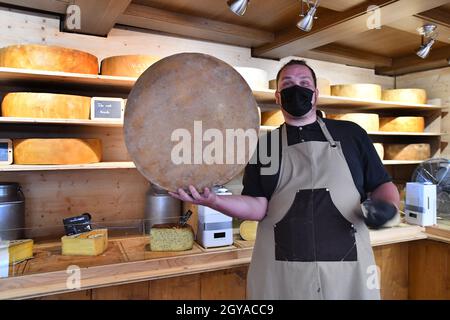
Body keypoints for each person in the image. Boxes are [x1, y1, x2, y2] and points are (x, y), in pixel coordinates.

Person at [169, 60, 400, 300]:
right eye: (288, 84)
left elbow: (382, 184)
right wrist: (214, 201)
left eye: (304, 83)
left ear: (315, 94)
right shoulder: (265, 146)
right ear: (278, 97)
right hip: (283, 275)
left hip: (348, 273)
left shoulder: (351, 134)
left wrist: (388, 206)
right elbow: (258, 206)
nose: (296, 89)